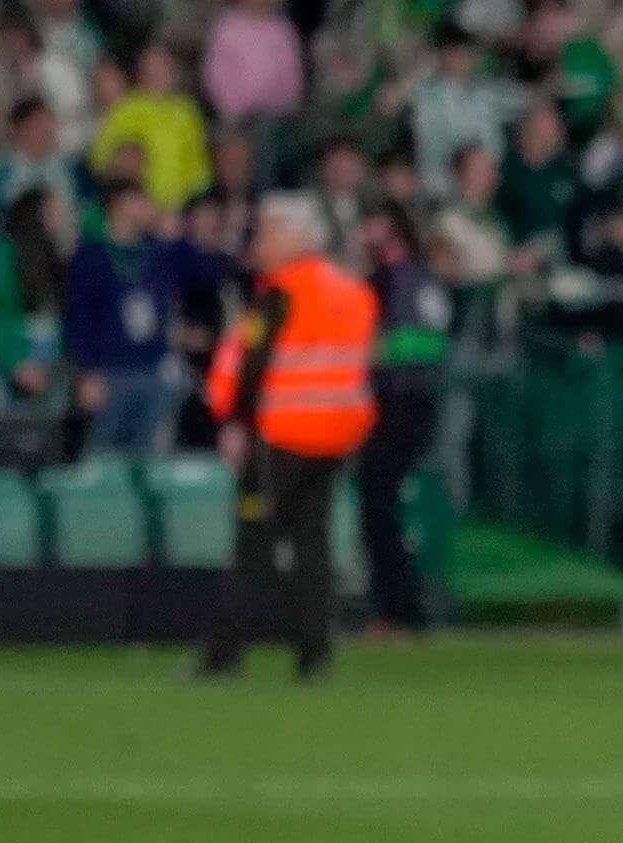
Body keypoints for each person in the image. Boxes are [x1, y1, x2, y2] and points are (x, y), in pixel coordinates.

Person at [193, 193, 377, 681]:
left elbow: (253, 366)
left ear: (295, 238)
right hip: (335, 438)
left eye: (269, 233)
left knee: (253, 546)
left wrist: (236, 425)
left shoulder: (281, 294)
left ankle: (223, 655)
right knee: (312, 548)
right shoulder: (353, 291)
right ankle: (315, 655)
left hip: (280, 436)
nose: (259, 244)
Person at [357, 207, 453, 634]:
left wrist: (370, 354)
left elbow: (412, 345)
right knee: (385, 504)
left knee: (379, 503)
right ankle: (400, 608)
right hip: (410, 403)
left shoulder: (400, 282)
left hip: (399, 404)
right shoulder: (420, 281)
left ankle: (398, 610)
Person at [66, 182, 185, 457]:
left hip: (152, 369)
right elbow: (79, 318)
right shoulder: (91, 256)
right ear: (121, 205)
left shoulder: (158, 252)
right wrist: (86, 372)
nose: (151, 209)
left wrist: (177, 238)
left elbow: (197, 277)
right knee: (102, 455)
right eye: (142, 202)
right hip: (108, 372)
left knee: (147, 457)